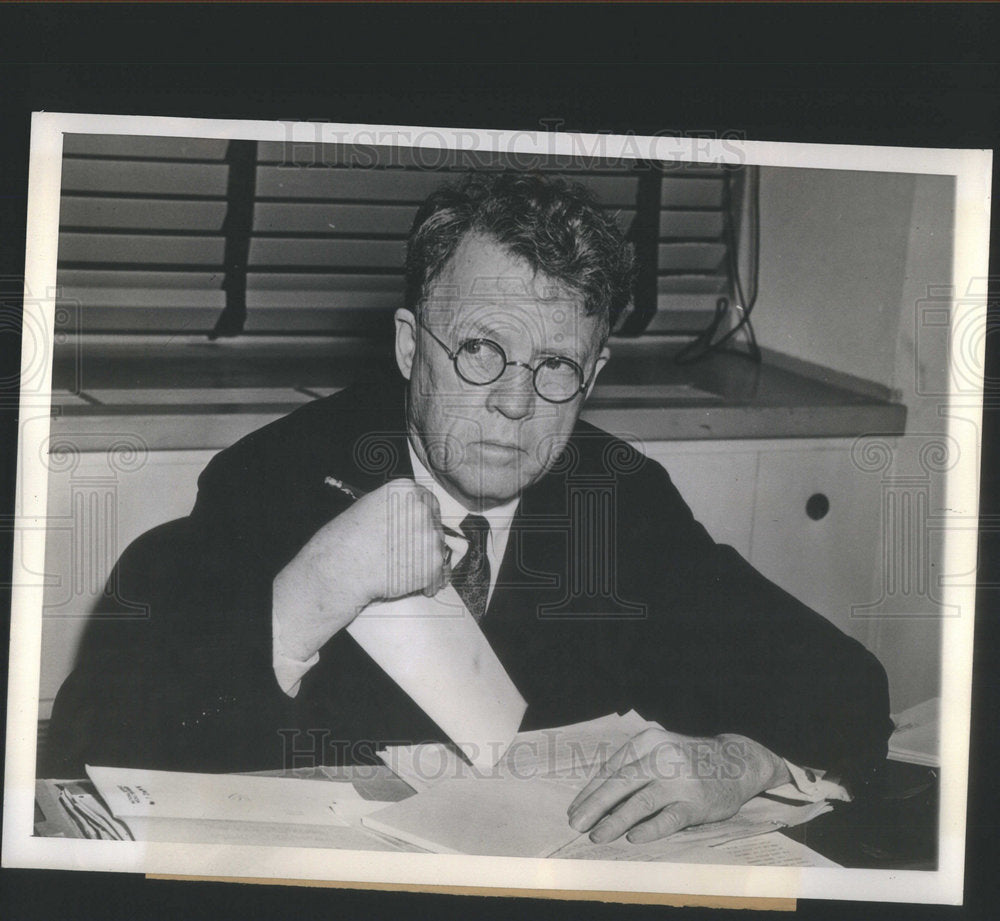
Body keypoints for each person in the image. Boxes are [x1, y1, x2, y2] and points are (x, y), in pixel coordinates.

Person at [48, 172, 892, 846]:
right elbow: (98, 749)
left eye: (555, 363)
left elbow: (845, 684)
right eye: (482, 350)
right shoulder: (273, 480)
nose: (517, 404)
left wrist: (737, 761)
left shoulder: (617, 495)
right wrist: (307, 593)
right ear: (413, 346)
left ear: (591, 379)